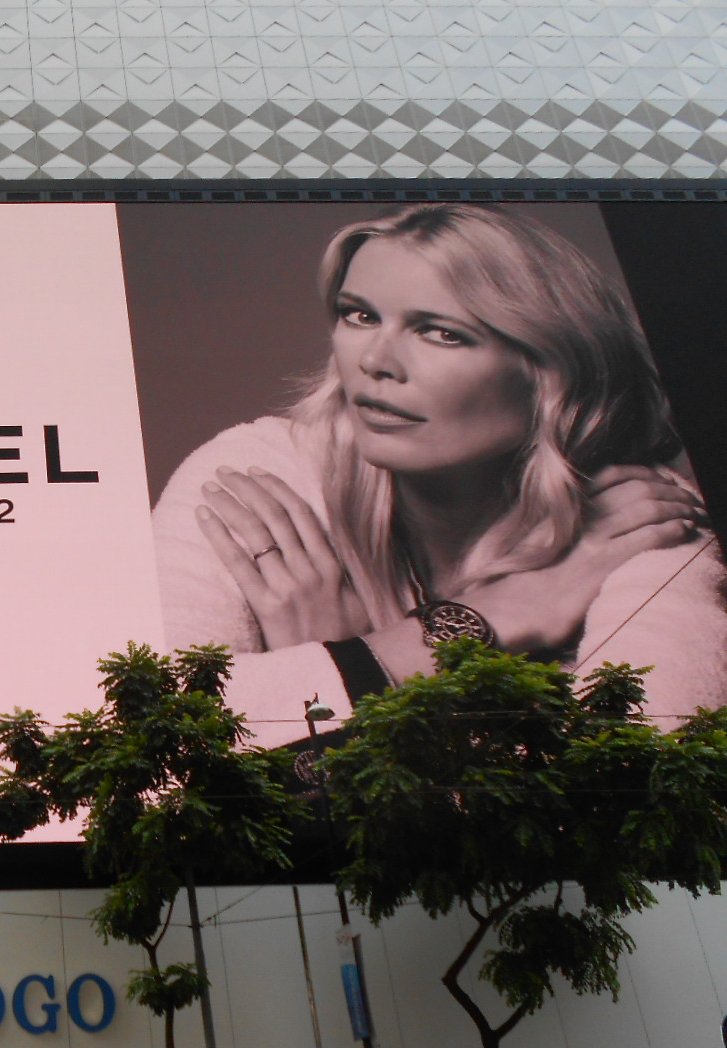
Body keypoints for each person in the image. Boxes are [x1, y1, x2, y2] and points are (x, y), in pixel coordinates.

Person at [153, 203, 727, 745]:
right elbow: (143, 737)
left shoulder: (649, 525)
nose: (374, 361)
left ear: (555, 373)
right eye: (360, 315)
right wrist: (498, 614)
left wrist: (349, 670)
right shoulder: (261, 474)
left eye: (441, 331)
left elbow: (632, 796)